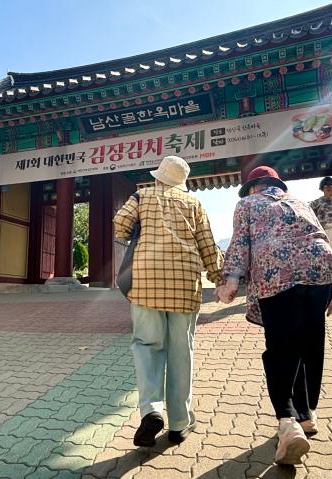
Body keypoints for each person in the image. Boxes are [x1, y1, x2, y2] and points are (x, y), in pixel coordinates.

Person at [216, 166, 332, 465]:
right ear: (275, 184)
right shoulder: (300, 202)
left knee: (280, 349)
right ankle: (307, 415)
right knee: (310, 345)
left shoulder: (247, 204)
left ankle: (287, 423)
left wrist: (231, 282)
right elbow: (320, 238)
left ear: (253, 188)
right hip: (319, 275)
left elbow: (240, 244)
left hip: (278, 276)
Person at [114, 155, 223, 447]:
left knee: (147, 347)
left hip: (146, 282)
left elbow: (120, 225)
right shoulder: (194, 204)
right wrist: (220, 277)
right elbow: (208, 246)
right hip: (185, 285)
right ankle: (179, 423)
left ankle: (151, 410)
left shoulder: (141, 195)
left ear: (158, 177)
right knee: (180, 352)